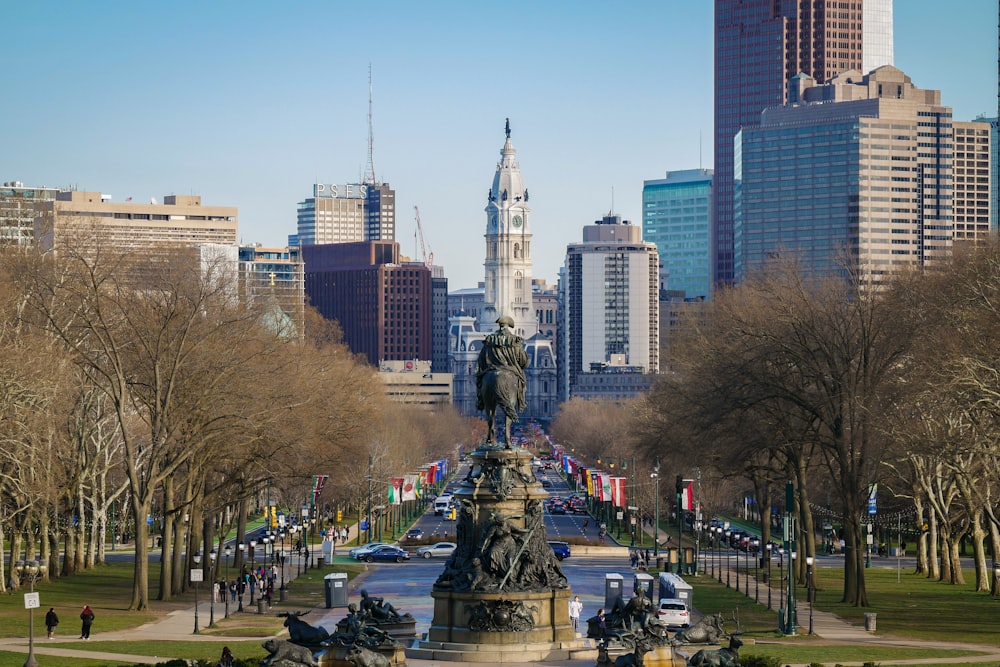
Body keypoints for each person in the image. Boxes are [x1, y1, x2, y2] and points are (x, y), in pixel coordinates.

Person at [475, 315, 528, 412]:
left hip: (492, 368)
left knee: (480, 381)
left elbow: (482, 358)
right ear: (508, 326)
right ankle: (521, 401)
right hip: (511, 369)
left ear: (500, 326)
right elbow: (523, 360)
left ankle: (480, 401)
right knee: (522, 382)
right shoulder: (515, 340)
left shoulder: (490, 339)